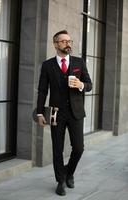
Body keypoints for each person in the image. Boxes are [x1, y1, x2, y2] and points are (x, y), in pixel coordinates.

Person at [37, 30, 92, 196]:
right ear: (55, 44)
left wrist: (80, 84)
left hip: (76, 112)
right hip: (56, 113)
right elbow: (42, 90)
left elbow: (89, 85)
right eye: (63, 41)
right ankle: (60, 181)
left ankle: (69, 172)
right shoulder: (47, 65)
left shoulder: (78, 62)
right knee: (57, 149)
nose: (68, 44)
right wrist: (40, 113)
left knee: (79, 147)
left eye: (70, 41)